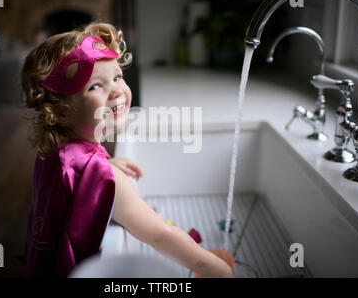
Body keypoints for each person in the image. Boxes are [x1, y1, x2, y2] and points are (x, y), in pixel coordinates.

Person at [21, 21, 234, 278]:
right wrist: (214, 268)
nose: (116, 92)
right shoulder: (105, 177)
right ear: (61, 112)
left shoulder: (53, 150)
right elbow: (159, 235)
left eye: (117, 77)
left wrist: (107, 163)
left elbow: (72, 174)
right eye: (95, 86)